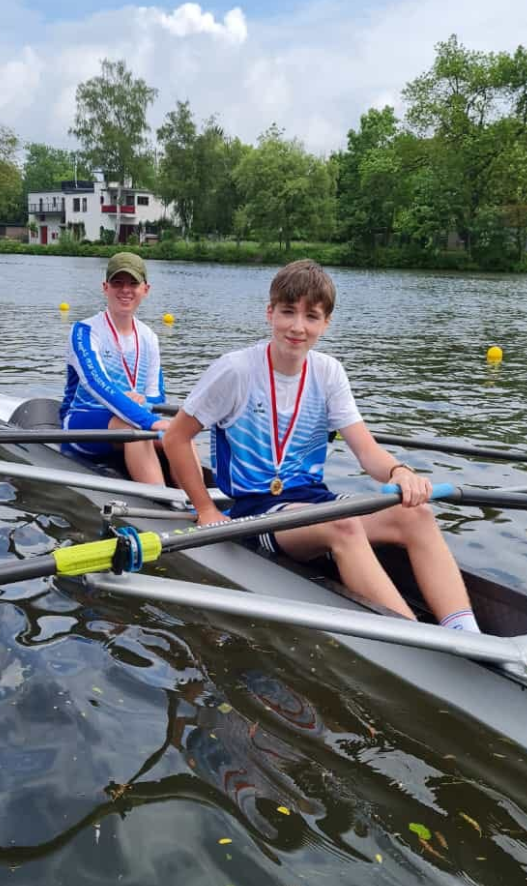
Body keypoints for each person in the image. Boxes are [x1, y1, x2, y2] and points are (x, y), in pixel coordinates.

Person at [163, 259, 480, 631]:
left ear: (326, 323)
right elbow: (176, 438)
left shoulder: (329, 372)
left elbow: (366, 451)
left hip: (314, 501)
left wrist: (400, 472)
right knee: (343, 525)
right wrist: (205, 508)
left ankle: (465, 634)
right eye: (288, 312)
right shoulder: (236, 371)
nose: (298, 327)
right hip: (257, 511)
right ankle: (421, 641)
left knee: (418, 515)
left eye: (311, 316)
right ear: (270, 313)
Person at [60, 252, 169, 485]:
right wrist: (149, 421)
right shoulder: (84, 331)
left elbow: (157, 395)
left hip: (130, 419)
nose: (125, 290)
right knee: (135, 428)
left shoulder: (149, 337)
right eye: (117, 283)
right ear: (105, 288)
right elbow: (96, 383)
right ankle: (165, 502)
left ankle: (203, 501)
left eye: (133, 283)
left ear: (145, 290)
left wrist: (143, 401)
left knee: (179, 433)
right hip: (82, 422)